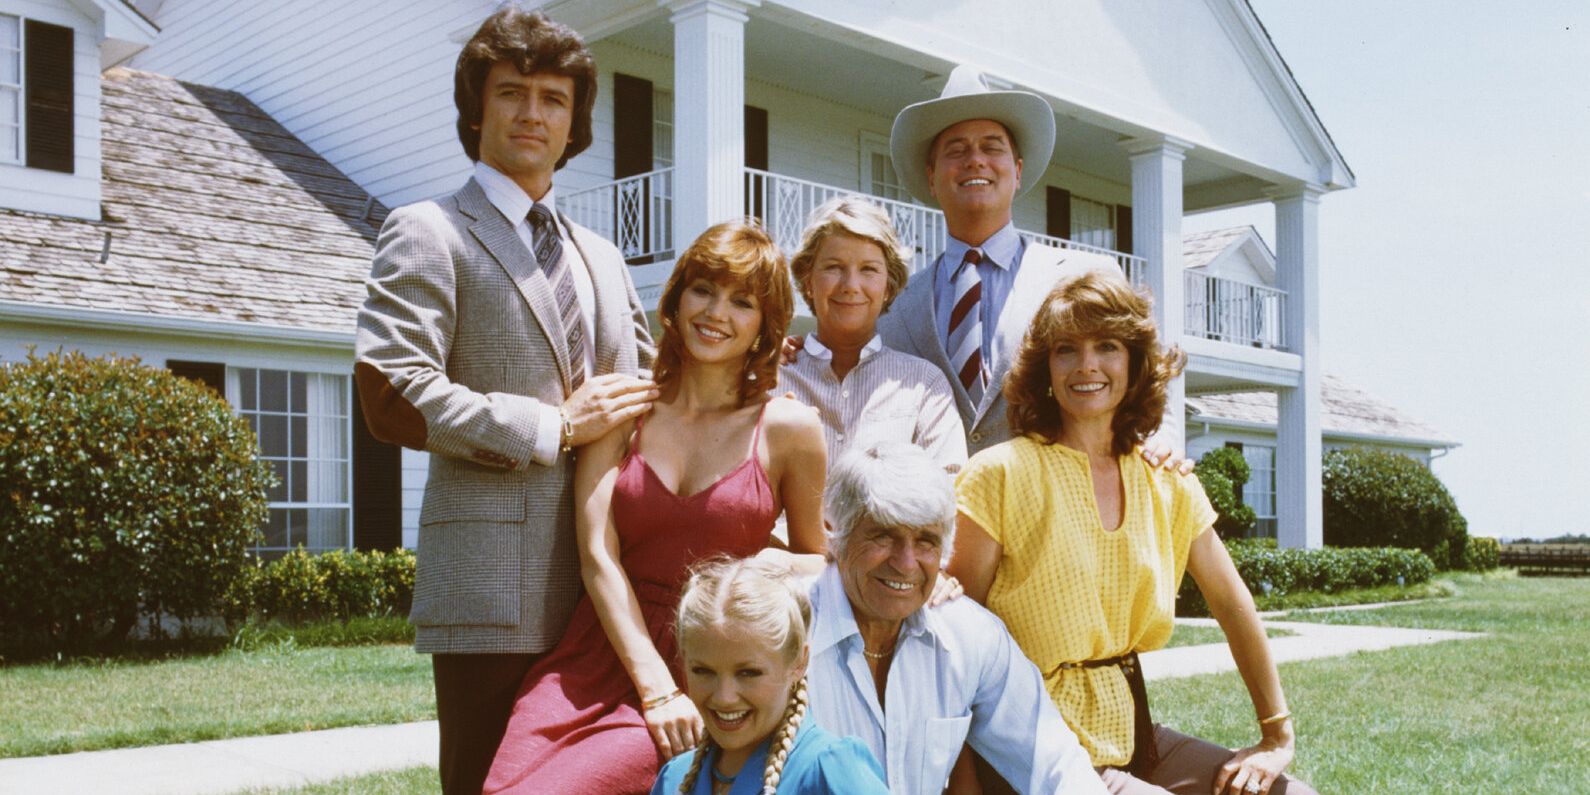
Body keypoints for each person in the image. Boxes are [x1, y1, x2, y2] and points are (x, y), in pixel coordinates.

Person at [353, 9, 656, 793]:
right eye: (512, 93)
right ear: (476, 110)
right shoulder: (428, 230)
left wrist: (761, 369)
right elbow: (391, 394)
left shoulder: (604, 255)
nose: (533, 113)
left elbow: (656, 390)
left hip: (616, 590)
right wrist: (557, 425)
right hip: (491, 590)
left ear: (573, 123)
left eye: (554, 98)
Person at [483, 220, 828, 795]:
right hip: (598, 650)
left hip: (707, 667)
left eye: (742, 302)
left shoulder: (789, 429)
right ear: (676, 298)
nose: (716, 312)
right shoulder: (622, 407)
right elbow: (597, 554)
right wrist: (652, 686)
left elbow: (815, 560)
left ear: (766, 326)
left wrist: (765, 567)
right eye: (703, 290)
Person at [950, 273, 1315, 795]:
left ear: (1135, 364)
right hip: (1029, 746)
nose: (1087, 365)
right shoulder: (998, 474)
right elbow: (956, 644)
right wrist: (962, 782)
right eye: (1066, 350)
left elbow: (1234, 607)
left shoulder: (1167, 481)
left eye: (1107, 347)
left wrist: (1276, 735)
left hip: (1132, 734)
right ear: (1044, 369)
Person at [876, 64, 1182, 465]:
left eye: (992, 146)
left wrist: (1166, 441)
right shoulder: (894, 306)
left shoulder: (1085, 276)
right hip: (940, 522)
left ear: (1017, 172)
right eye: (956, 150)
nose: (975, 161)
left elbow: (1146, 385)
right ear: (932, 177)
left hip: (1060, 515)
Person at [803, 441, 1107, 795]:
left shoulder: (968, 634)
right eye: (883, 535)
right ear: (835, 532)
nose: (906, 562)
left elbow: (1053, 759)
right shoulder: (781, 634)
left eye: (926, 541)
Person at [653, 556, 891, 795]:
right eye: (703, 671)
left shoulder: (828, 769)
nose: (724, 697)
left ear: (799, 662)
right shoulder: (674, 778)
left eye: (748, 673)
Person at [780, 197, 967, 474]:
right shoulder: (773, 376)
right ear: (808, 281)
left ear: (889, 286)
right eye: (834, 267)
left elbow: (947, 494)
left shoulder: (924, 386)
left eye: (868, 269)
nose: (851, 286)